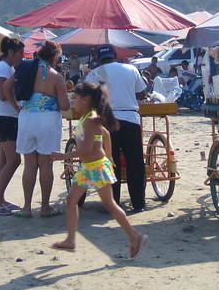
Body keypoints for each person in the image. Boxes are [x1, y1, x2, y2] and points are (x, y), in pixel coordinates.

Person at [50, 83, 148, 258]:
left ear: (85, 99)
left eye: (75, 97)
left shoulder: (89, 120)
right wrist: (109, 156)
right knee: (71, 200)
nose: (73, 101)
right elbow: (106, 135)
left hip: (95, 167)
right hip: (90, 167)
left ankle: (135, 236)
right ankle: (70, 240)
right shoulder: (89, 117)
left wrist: (62, 156)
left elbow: (86, 150)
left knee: (109, 205)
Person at [8, 41, 70, 217]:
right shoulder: (56, 76)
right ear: (55, 57)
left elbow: (6, 88)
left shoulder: (24, 68)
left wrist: (17, 108)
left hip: (27, 118)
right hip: (48, 120)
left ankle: (26, 207)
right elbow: (65, 105)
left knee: (29, 165)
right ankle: (44, 207)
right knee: (45, 164)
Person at [86, 45, 147, 212]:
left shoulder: (95, 73)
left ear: (99, 59)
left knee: (111, 162)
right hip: (130, 119)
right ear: (115, 56)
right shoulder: (130, 68)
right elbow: (141, 93)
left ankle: (112, 204)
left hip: (107, 121)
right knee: (135, 162)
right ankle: (139, 204)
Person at [0, 37, 25, 215]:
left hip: (4, 117)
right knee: (14, 160)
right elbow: (4, 94)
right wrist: (18, 106)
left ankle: (0, 199)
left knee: (3, 160)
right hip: (6, 118)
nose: (22, 56)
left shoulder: (6, 67)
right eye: (20, 53)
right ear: (11, 52)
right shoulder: (3, 67)